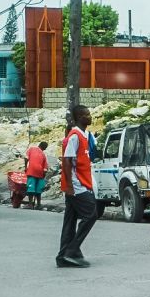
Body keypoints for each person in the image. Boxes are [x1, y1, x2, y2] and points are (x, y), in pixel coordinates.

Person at [57, 105, 98, 268]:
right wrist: (70, 186)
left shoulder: (85, 135)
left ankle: (62, 256)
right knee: (91, 215)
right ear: (79, 118)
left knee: (70, 220)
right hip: (77, 185)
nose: (89, 116)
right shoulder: (75, 135)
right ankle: (72, 250)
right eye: (86, 114)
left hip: (80, 183)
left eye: (89, 113)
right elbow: (67, 161)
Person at [24, 142, 49, 210]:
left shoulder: (31, 149)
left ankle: (30, 204)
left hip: (32, 171)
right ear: (44, 148)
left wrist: (26, 167)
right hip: (40, 173)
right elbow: (45, 168)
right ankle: (38, 204)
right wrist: (43, 175)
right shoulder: (43, 155)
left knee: (31, 187)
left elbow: (26, 158)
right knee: (38, 190)